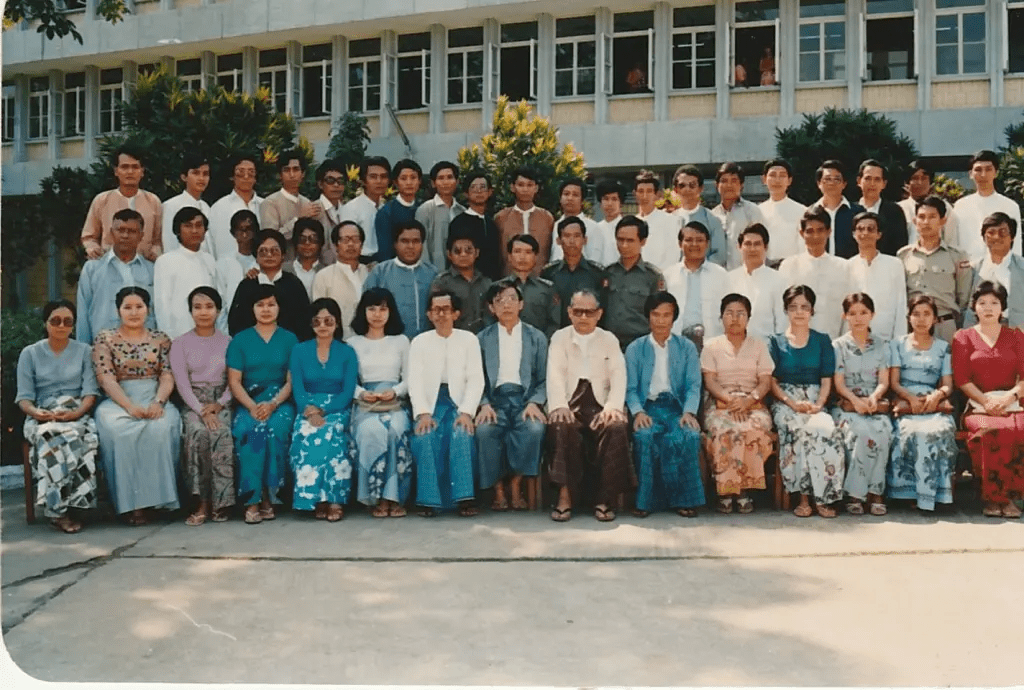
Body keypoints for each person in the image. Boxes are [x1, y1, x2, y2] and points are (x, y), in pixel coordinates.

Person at [92, 287, 181, 526]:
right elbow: (106, 378)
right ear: (118, 311)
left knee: (161, 429)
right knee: (120, 433)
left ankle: (159, 502)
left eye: (139, 307)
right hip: (118, 400)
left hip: (154, 396)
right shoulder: (105, 338)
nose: (134, 312)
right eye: (127, 307)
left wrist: (159, 401)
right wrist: (129, 406)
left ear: (148, 310)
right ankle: (131, 505)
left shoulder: (161, 338)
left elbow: (167, 374)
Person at [547, 289, 634, 522]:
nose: (583, 317)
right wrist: (559, 405)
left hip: (599, 403)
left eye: (589, 312)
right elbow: (554, 374)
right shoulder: (560, 338)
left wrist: (613, 407)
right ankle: (564, 497)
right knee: (561, 426)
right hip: (570, 401)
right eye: (578, 312)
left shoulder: (609, 339)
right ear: (569, 312)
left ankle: (604, 499)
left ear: (599, 314)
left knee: (616, 427)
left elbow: (618, 375)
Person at [16, 300, 99, 533]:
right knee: (50, 435)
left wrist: (75, 413)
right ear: (46, 322)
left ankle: (72, 505)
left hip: (76, 412)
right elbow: (24, 398)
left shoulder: (85, 351)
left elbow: (90, 393)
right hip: (42, 414)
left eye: (67, 321)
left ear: (73, 325)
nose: (61, 326)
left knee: (80, 437)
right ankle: (59, 510)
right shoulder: (30, 353)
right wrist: (37, 413)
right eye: (55, 320)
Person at [768, 285, 845, 518]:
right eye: (793, 307)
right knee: (799, 430)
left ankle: (823, 498)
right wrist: (792, 404)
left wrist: (819, 405)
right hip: (785, 401)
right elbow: (771, 381)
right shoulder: (775, 342)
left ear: (812, 310)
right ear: (785, 310)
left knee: (826, 429)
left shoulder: (822, 340)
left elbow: (826, 380)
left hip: (814, 400)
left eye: (804, 307)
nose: (799, 312)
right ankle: (802, 499)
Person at [625, 292, 704, 518]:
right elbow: (630, 389)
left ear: (674, 317)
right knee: (645, 436)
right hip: (648, 407)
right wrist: (638, 412)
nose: (661, 320)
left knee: (689, 436)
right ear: (648, 317)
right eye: (655, 314)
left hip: (677, 408)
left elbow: (693, 386)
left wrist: (689, 412)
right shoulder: (635, 348)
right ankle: (645, 501)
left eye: (666, 315)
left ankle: (685, 501)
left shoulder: (686, 347)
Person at [408, 290, 485, 517]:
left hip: (458, 402)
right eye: (436, 310)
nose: (441, 314)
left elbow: (476, 379)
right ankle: (428, 500)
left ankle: (464, 498)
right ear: (429, 314)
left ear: (456, 313)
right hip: (430, 403)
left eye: (446, 309)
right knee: (426, 435)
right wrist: (423, 413)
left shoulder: (469, 340)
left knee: (461, 433)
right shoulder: (420, 342)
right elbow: (414, 381)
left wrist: (467, 412)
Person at [226, 284, 298, 525]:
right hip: (249, 400)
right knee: (249, 430)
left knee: (275, 429)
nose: (266, 309)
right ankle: (252, 500)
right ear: (252, 308)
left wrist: (274, 404)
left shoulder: (290, 339)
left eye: (271, 304)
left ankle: (270, 496)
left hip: (280, 400)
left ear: (279, 307)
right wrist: (251, 406)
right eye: (260, 305)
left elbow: (291, 381)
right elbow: (234, 382)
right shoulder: (240, 340)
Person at [953, 281, 1024, 518]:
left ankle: (1012, 498)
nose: (988, 308)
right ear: (974, 308)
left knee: (1019, 431)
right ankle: (993, 498)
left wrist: (1008, 398)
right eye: (982, 303)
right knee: (989, 432)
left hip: (1011, 403)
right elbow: (962, 379)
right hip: (978, 406)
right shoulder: (963, 337)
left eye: (994, 303)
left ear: (1003, 307)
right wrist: (987, 403)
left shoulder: (1015, 336)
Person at [475, 282, 548, 512]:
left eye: (511, 299)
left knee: (534, 430)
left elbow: (545, 378)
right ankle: (498, 490)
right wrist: (484, 404)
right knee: (484, 432)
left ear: (521, 304)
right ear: (491, 308)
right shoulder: (482, 339)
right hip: (494, 401)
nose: (506, 305)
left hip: (524, 400)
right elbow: (474, 378)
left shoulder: (536, 337)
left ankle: (516, 485)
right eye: (499, 301)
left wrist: (535, 402)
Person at [701, 293, 775, 514]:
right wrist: (732, 400)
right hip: (721, 402)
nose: (735, 318)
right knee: (724, 430)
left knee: (753, 429)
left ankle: (743, 491)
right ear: (721, 317)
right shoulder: (711, 346)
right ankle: (725, 492)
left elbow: (765, 381)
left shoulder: (759, 346)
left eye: (741, 314)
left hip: (753, 403)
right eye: (729, 313)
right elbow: (710, 381)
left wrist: (748, 400)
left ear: (748, 318)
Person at [288, 298, 359, 522]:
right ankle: (315, 499)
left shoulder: (347, 352)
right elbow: (298, 387)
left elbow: (347, 391)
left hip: (337, 407)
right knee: (307, 432)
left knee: (333, 433)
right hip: (307, 407)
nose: (323, 326)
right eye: (317, 321)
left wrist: (324, 410)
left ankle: (335, 499)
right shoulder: (299, 350)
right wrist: (309, 410)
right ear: (310, 324)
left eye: (328, 321)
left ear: (337, 323)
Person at [169, 287, 234, 526]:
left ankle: (222, 503)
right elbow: (182, 384)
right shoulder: (180, 343)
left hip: (221, 401)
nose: (203, 312)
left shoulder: (229, 342)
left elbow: (234, 381)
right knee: (197, 433)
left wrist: (219, 405)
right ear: (190, 311)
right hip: (193, 403)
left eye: (209, 307)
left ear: (218, 310)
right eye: (197, 307)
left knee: (221, 432)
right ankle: (201, 503)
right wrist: (201, 410)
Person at [888, 294, 958, 512]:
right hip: (906, 402)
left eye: (927, 314)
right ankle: (908, 493)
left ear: (935, 319)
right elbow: (894, 382)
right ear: (909, 317)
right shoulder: (898, 344)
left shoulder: (943, 347)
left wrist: (936, 396)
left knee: (939, 430)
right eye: (916, 314)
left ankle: (935, 494)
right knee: (910, 430)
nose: (921, 319)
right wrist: (909, 398)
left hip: (933, 402)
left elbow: (948, 385)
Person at [348, 288, 414, 517]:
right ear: (363, 311)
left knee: (396, 429)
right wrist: (361, 393)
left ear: (391, 312)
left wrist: (395, 391)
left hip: (394, 402)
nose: (377, 314)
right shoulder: (352, 343)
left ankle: (394, 498)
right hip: (365, 404)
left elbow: (410, 378)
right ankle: (376, 498)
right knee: (371, 430)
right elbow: (348, 381)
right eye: (372, 309)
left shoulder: (401, 341)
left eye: (383, 309)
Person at [831, 293, 894, 516]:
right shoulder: (838, 346)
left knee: (883, 430)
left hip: (873, 403)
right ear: (845, 316)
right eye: (853, 313)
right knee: (859, 432)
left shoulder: (882, 345)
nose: (858, 318)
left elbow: (884, 381)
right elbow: (839, 383)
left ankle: (876, 492)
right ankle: (855, 494)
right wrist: (856, 401)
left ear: (872, 315)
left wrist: (874, 397)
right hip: (847, 404)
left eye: (863, 313)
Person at [898, 196, 972, 343]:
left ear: (943, 221)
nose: (926, 222)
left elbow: (964, 299)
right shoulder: (903, 255)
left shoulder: (957, 256)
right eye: (921, 217)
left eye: (932, 217)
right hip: (914, 327)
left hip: (945, 326)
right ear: (915, 221)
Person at [76, 209, 156, 344]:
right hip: (103, 347)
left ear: (141, 236)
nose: (125, 235)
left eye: (132, 231)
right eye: (120, 230)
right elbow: (83, 314)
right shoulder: (93, 269)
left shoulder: (151, 270)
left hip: (144, 348)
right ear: (111, 233)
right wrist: (84, 350)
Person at [778, 206, 851, 339]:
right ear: (802, 233)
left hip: (834, 342)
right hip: (797, 343)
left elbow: (849, 311)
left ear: (829, 231)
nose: (815, 236)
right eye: (810, 231)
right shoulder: (789, 266)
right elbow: (782, 311)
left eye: (820, 230)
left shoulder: (843, 267)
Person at [81, 145, 163, 261]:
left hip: (144, 265)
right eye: (125, 167)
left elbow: (158, 240)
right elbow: (89, 237)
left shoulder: (153, 201)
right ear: (116, 171)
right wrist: (93, 249)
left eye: (135, 167)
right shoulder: (102, 200)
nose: (130, 172)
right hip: (109, 264)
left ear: (142, 171)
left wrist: (155, 252)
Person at [227, 229, 312, 340]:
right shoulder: (247, 285)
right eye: (263, 251)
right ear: (256, 257)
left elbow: (304, 323)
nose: (269, 255)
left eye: (274, 251)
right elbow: (235, 323)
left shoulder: (294, 284)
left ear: (283, 255)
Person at [363, 219, 439, 337]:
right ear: (395, 244)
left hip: (427, 340)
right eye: (404, 241)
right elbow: (367, 309)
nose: (410, 246)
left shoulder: (433, 273)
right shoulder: (380, 272)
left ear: (422, 244)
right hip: (390, 340)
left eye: (416, 241)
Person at [153, 207, 218, 340]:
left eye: (199, 225)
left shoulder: (209, 260)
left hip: (208, 335)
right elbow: (162, 306)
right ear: (178, 230)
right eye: (188, 226)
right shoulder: (166, 261)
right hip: (178, 336)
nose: (194, 231)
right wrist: (169, 339)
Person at [604, 215, 666, 350]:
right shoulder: (607, 273)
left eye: (630, 240)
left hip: (640, 344)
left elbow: (660, 314)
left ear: (642, 241)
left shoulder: (653, 276)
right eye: (620, 240)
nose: (624, 245)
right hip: (609, 344)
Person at [664, 220, 729, 348]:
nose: (694, 244)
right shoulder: (668, 275)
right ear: (680, 244)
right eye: (689, 240)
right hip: (676, 342)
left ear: (707, 244)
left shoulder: (721, 275)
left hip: (712, 343)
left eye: (699, 240)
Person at [845, 211, 908, 341]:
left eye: (871, 229)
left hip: (886, 338)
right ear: (854, 234)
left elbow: (901, 305)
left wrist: (899, 342)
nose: (865, 233)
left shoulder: (894, 264)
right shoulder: (847, 266)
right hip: (855, 339)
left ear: (879, 234)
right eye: (860, 229)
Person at [953, 150, 1023, 261]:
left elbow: (1016, 244)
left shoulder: (1010, 206)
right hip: (968, 266)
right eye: (978, 170)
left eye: (988, 169)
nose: (983, 175)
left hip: (1001, 266)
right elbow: (954, 242)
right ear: (970, 174)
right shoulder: (960, 206)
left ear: (996, 173)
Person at [541, 216, 608, 328]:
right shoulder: (549, 273)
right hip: (558, 333)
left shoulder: (597, 273)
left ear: (585, 240)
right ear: (558, 240)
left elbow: (603, 309)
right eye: (567, 236)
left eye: (577, 236)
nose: (572, 241)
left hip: (588, 332)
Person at [311, 220, 371, 340]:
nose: (351, 244)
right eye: (345, 240)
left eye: (355, 239)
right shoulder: (323, 276)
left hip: (368, 341)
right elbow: (318, 315)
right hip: (337, 342)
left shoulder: (370, 273)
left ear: (361, 245)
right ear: (335, 246)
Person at [964, 212, 1024, 330]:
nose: (996, 237)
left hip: (1017, 330)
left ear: (1012, 237)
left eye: (1003, 232)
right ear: (984, 237)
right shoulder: (973, 269)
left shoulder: (1022, 267)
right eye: (991, 232)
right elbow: (964, 304)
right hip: (980, 331)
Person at [727, 223, 786, 339]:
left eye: (757, 244)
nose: (752, 249)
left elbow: (782, 324)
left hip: (766, 346)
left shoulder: (778, 280)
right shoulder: (729, 279)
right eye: (748, 244)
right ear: (739, 247)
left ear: (766, 247)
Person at [429, 227, 493, 333]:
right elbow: (435, 315)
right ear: (449, 254)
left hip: (483, 338)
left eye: (468, 250)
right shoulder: (442, 282)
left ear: (476, 253)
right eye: (457, 251)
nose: (463, 255)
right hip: (453, 338)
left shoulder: (486, 283)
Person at [260, 150, 316, 263]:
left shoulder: (307, 203)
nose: (292, 175)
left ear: (303, 174)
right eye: (286, 170)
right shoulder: (270, 203)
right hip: (279, 265)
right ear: (280, 175)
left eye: (296, 169)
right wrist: (298, 219)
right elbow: (270, 241)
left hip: (305, 266)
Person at [495, 167, 555, 274]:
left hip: (540, 278)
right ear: (513, 187)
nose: (525, 189)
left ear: (536, 188)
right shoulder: (501, 217)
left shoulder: (547, 218)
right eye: (521, 185)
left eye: (529, 185)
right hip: (508, 278)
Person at [500, 234, 560, 338]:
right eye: (517, 251)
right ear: (509, 256)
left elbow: (554, 324)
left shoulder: (548, 288)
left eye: (528, 252)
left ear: (535, 257)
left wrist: (542, 343)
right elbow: (490, 322)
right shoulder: (498, 288)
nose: (522, 257)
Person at [208, 153, 264, 261]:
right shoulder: (219, 208)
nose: (246, 177)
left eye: (251, 172)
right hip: (228, 267)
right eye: (241, 172)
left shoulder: (265, 205)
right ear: (232, 176)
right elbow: (211, 244)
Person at [447, 170, 502, 280]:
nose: (479, 191)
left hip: (491, 281)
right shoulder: (459, 222)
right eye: (473, 187)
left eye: (482, 187)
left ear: (490, 192)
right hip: (466, 281)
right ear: (466, 193)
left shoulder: (491, 223)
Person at [711, 162, 764, 271]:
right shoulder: (712, 215)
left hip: (744, 274)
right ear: (717, 185)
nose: (729, 185)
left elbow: (760, 245)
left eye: (734, 181)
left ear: (742, 185)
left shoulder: (752, 211)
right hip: (718, 274)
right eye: (724, 181)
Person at [671, 165, 727, 267]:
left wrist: (696, 269)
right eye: (682, 185)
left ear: (701, 188)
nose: (687, 189)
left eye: (692, 185)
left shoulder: (712, 219)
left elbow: (719, 255)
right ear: (676, 189)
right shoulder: (668, 220)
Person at [549, 178, 612, 265]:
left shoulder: (593, 227)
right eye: (566, 194)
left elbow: (595, 260)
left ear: (582, 200)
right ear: (560, 198)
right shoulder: (555, 225)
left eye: (575, 195)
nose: (570, 198)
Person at [215, 210, 259, 333]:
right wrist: (224, 333)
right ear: (233, 233)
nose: (245, 234)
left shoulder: (262, 261)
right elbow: (221, 301)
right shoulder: (223, 263)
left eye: (249, 229)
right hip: (232, 328)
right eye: (241, 230)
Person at [899, 160, 960, 248]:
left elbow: (951, 239)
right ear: (907, 183)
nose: (920, 183)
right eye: (915, 178)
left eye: (924, 178)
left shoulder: (944, 206)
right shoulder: (899, 208)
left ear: (930, 182)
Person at [341, 155, 391, 263]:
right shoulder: (351, 208)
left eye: (383, 176)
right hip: (361, 263)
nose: (379, 181)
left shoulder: (386, 208)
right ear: (363, 181)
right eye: (373, 177)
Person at [417, 160, 465, 268]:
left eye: (450, 177)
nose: (446, 182)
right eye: (441, 178)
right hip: (434, 271)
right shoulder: (425, 210)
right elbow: (421, 245)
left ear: (457, 181)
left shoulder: (461, 211)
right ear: (433, 183)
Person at [855, 159, 908, 256]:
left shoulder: (894, 212)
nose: (872, 183)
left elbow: (900, 246)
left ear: (884, 184)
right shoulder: (850, 210)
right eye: (868, 178)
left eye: (877, 179)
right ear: (859, 181)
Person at [633, 169, 683, 272]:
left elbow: (673, 257)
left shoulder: (671, 221)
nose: (645, 196)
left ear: (657, 194)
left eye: (649, 191)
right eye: (641, 191)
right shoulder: (632, 223)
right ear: (635, 194)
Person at [161, 153, 212, 254]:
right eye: (196, 173)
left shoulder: (206, 207)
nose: (201, 178)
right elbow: (168, 242)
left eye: (205, 174)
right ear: (184, 177)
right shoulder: (172, 205)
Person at [374, 158, 423, 262]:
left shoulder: (424, 208)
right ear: (396, 182)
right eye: (403, 178)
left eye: (413, 178)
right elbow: (385, 252)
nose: (409, 183)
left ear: (419, 181)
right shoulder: (386, 213)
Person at [758, 158, 807, 263]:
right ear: (764, 179)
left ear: (789, 181)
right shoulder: (757, 211)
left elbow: (803, 247)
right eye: (773, 175)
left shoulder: (802, 211)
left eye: (782, 175)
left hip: (793, 267)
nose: (777, 180)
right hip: (764, 267)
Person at [813, 160, 864, 259]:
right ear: (819, 183)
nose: (832, 183)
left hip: (849, 266)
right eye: (827, 179)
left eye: (837, 179)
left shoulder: (858, 212)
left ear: (844, 184)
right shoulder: (811, 213)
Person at [311, 159, 346, 266]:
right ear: (320, 184)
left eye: (340, 181)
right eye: (330, 180)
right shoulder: (313, 210)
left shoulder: (347, 209)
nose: (336, 185)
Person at [593, 179, 627, 267]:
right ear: (600, 203)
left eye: (614, 199)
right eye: (606, 199)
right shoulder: (595, 229)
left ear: (621, 203)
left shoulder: (628, 228)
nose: (609, 203)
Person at [290, 218, 325, 298]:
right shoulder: (283, 270)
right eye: (302, 239)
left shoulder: (328, 272)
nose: (307, 243)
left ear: (321, 242)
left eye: (313, 239)